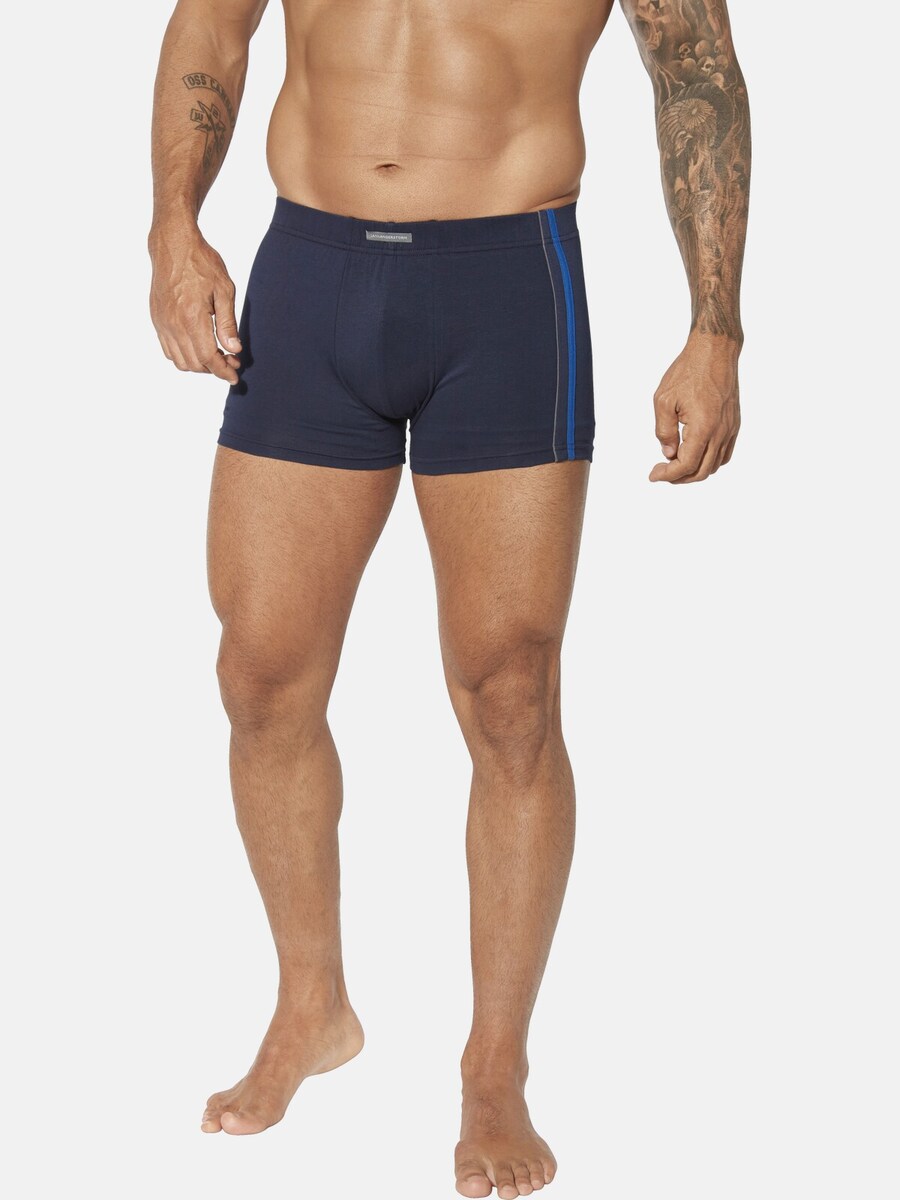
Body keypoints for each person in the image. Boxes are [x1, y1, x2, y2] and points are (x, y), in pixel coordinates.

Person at [148, 0, 750, 1194]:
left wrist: (715, 328)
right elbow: (211, 25)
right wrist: (174, 225)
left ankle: (494, 1067)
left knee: (511, 693)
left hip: (508, 287)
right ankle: (312, 1004)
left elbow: (697, 72)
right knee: (260, 673)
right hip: (311, 271)